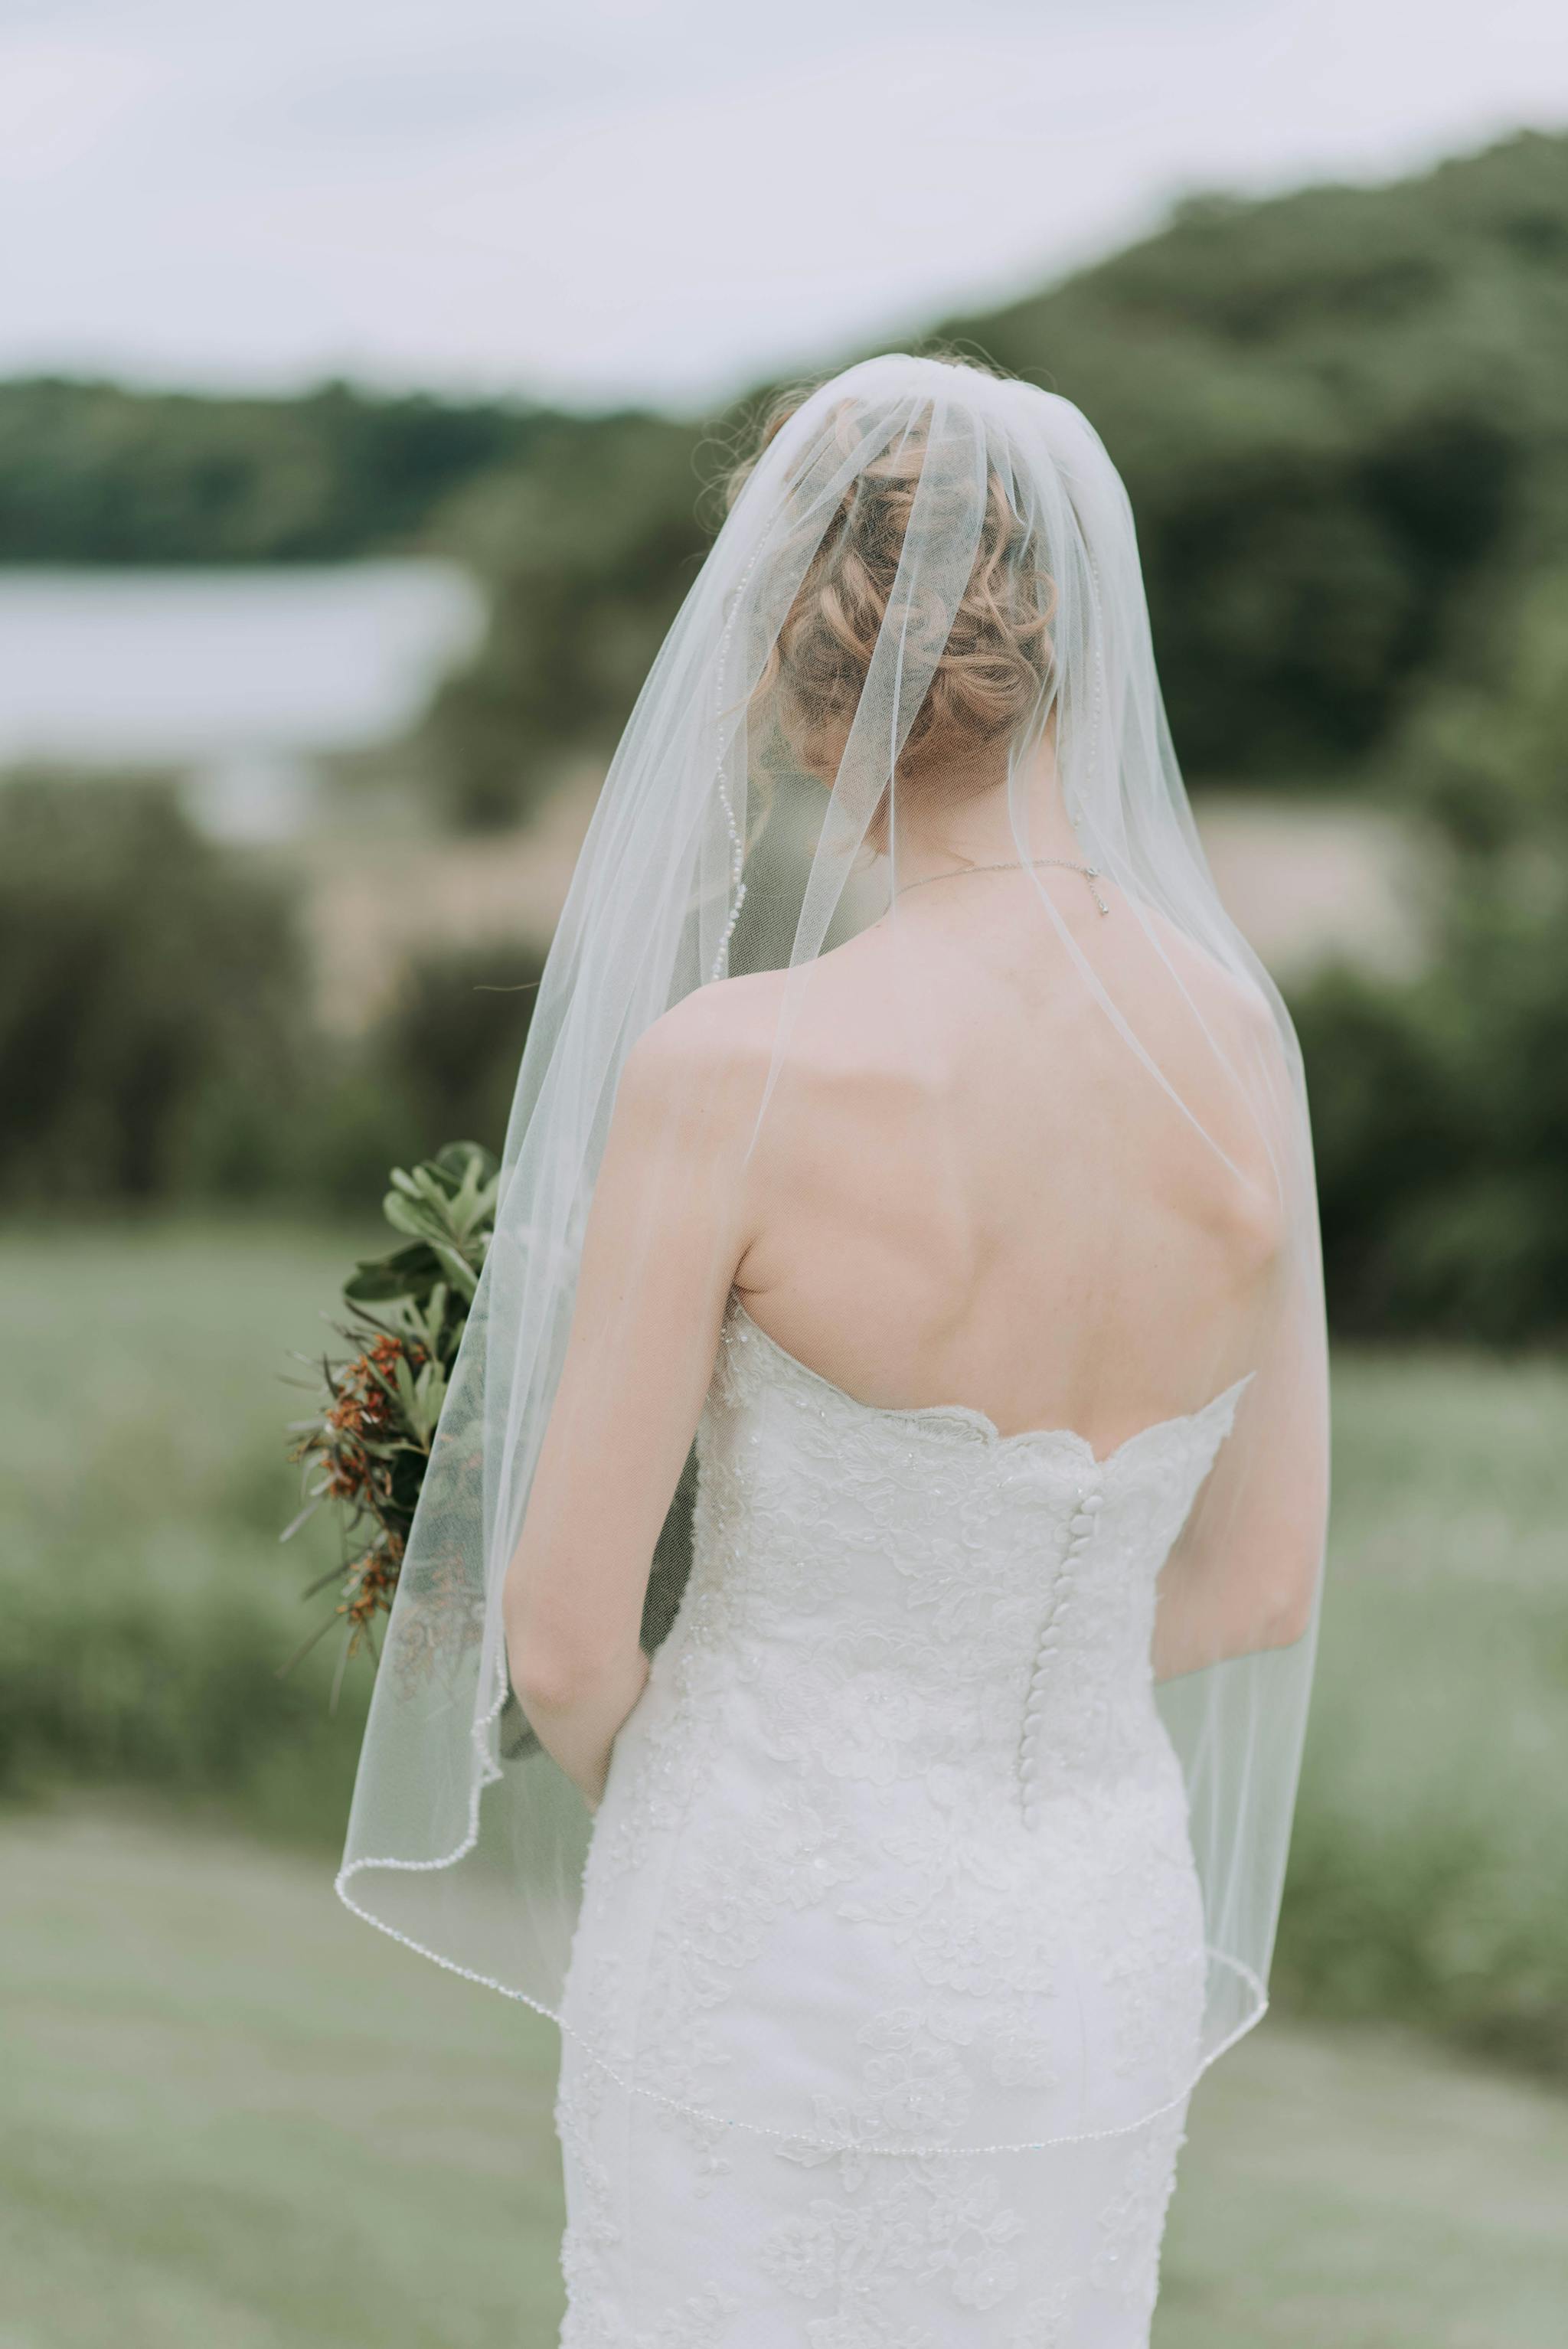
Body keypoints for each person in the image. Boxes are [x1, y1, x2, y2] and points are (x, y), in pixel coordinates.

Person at [338, 354, 1328, 2347]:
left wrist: (802, 1743)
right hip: (1087, 1943)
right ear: (1062, 656)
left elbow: (561, 1638)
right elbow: (1256, 1578)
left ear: (804, 675)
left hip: (770, 1931)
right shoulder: (1239, 1048)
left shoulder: (740, 1072)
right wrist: (966, 1685)